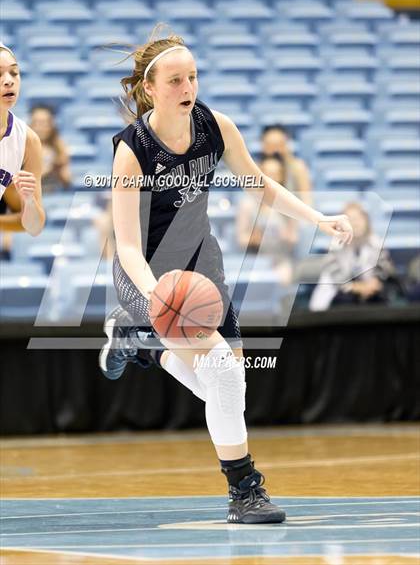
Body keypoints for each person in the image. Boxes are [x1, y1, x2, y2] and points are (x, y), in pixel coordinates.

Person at [99, 30, 353, 524]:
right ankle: (244, 492)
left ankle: (145, 344)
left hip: (201, 267)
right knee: (221, 371)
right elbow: (127, 244)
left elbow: (259, 184)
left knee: (228, 378)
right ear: (150, 89)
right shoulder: (133, 148)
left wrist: (318, 219)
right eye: (175, 80)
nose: (188, 86)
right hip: (145, 274)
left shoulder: (215, 126)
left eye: (192, 76)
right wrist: (159, 298)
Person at [309, 202, 396, 311]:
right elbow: (335, 277)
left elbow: (384, 269)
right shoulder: (334, 245)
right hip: (338, 296)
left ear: (366, 221)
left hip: (370, 292)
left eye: (359, 218)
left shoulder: (376, 242)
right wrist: (357, 288)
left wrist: (375, 282)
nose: (355, 223)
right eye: (350, 220)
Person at [0, 43, 45, 236]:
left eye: (14, 73)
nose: (8, 81)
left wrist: (28, 201)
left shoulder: (28, 140)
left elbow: (34, 227)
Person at [236, 153, 294, 284]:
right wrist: (253, 239)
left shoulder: (290, 204)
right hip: (254, 259)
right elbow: (241, 239)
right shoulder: (247, 204)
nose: (271, 178)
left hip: (279, 259)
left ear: (282, 176)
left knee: (284, 279)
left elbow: (293, 238)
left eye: (276, 174)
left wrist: (284, 236)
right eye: (267, 173)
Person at [261, 124, 313, 206]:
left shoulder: (297, 168)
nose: (275, 151)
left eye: (279, 145)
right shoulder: (258, 168)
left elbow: (307, 199)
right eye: (271, 145)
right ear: (264, 146)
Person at [29, 104, 71, 193]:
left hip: (54, 195)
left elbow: (67, 181)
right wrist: (50, 167)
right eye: (37, 123)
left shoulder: (59, 147)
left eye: (45, 123)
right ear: (30, 125)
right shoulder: (21, 148)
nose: (41, 127)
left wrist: (61, 168)